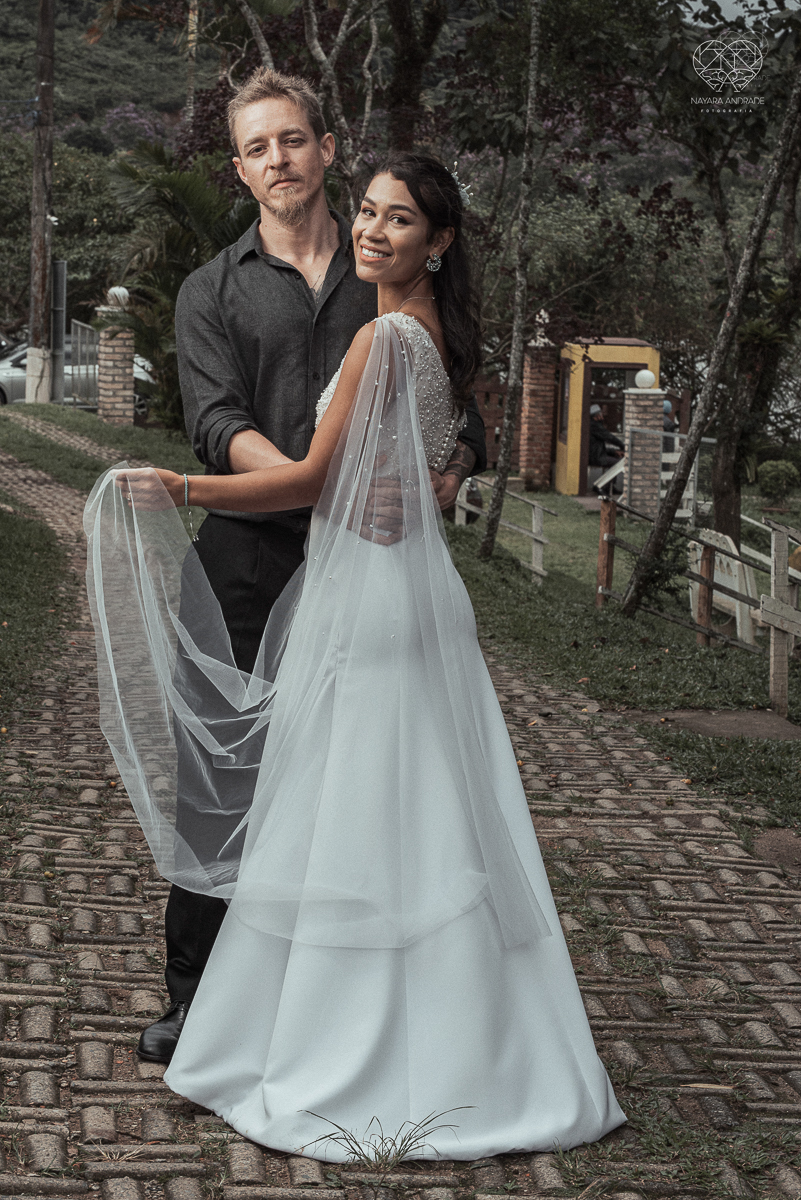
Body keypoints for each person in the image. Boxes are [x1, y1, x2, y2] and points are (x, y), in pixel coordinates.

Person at [84, 152, 624, 1159]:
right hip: (403, 594)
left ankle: (354, 1052)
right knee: (411, 816)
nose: (374, 231)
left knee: (360, 816)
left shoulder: (383, 336)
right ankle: (457, 1044)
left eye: (401, 220)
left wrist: (179, 486)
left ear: (440, 240)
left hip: (375, 607)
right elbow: (420, 456)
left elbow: (312, 480)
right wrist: (429, 476)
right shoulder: (423, 335)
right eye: (369, 213)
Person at [133, 68, 487, 1065]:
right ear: (241, 169)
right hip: (248, 560)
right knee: (223, 778)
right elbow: (215, 422)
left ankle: (318, 1000)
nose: (278, 160)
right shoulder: (212, 289)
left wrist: (446, 474)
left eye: (292, 139)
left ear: (326, 147)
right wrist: (307, 484)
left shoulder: (388, 267)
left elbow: (458, 404)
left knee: (354, 788)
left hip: (367, 576)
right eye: (257, 148)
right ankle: (197, 996)